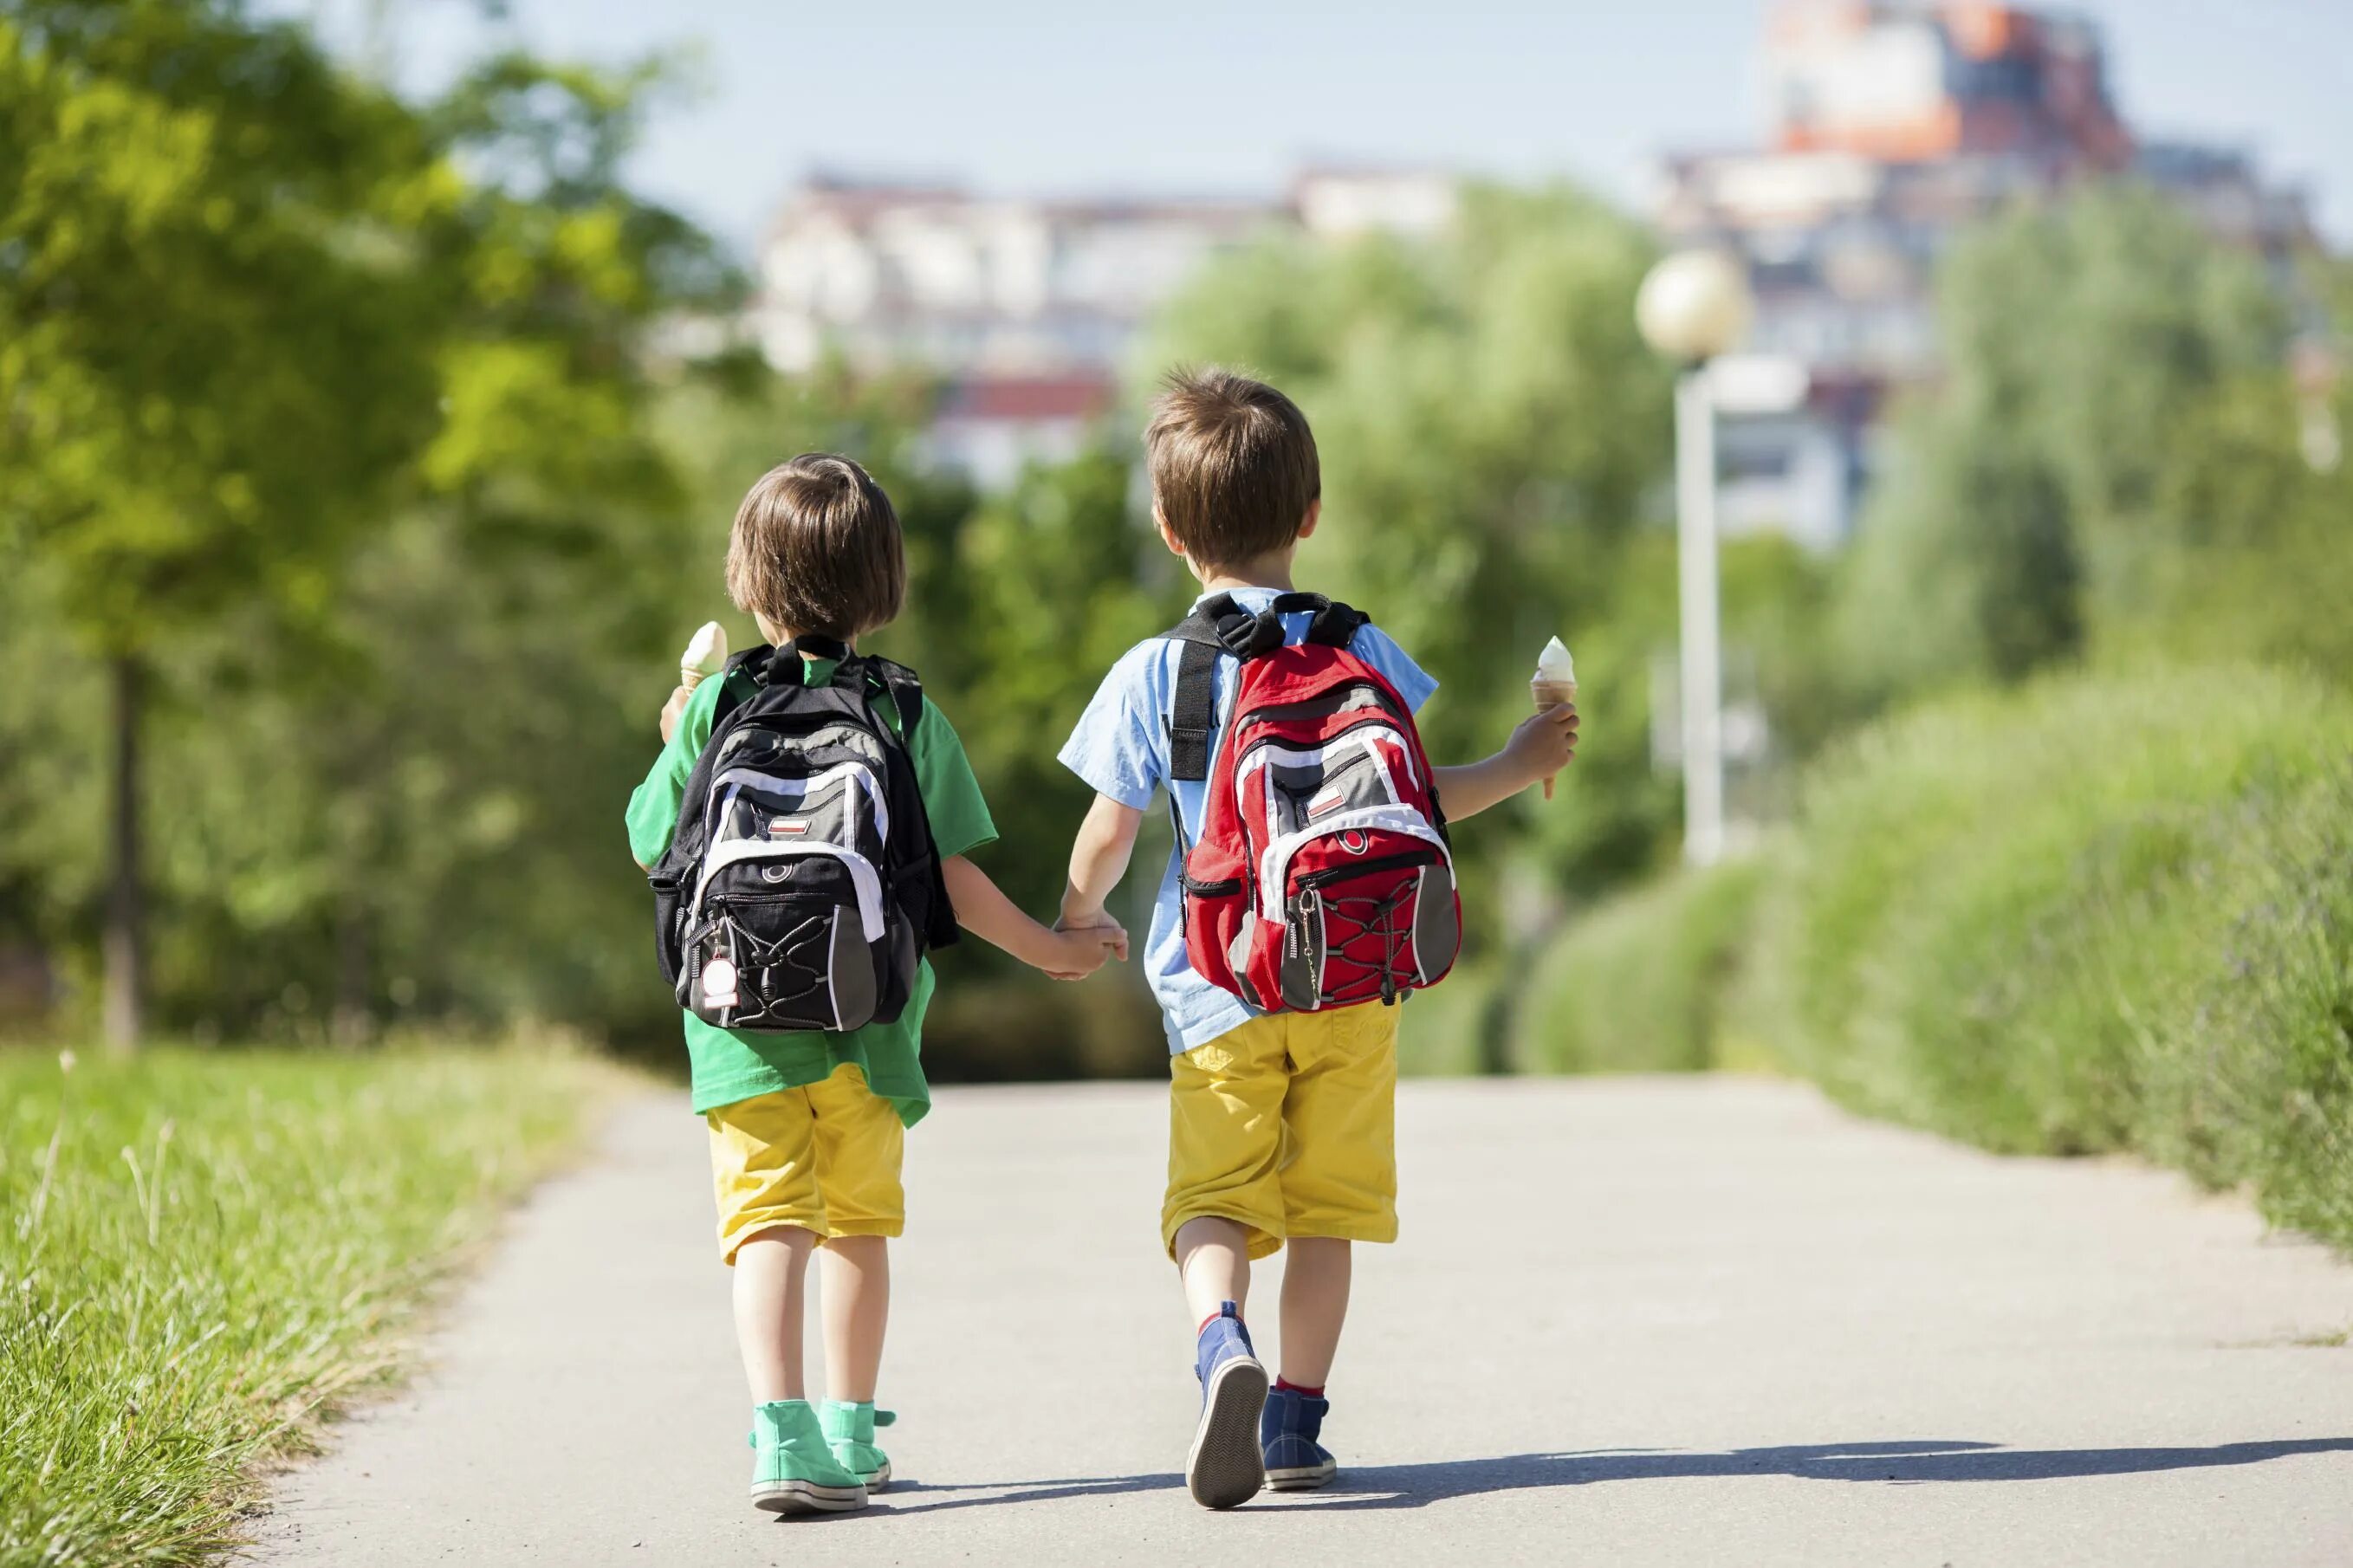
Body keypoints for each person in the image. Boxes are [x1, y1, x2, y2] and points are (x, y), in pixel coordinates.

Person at [1056, 370, 1578, 1507]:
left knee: (1215, 1200)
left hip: (1217, 986)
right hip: (1352, 975)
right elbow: (1415, 798)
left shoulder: (1158, 671)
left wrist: (1079, 911)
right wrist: (1522, 760)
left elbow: (1107, 831)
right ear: (1312, 513)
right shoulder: (1364, 649)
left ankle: (1218, 1342)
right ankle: (1294, 1421)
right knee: (1328, 1210)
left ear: (1167, 529)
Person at [628, 454, 1125, 1516]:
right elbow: (950, 875)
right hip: (870, 1026)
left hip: (737, 1029)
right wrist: (1051, 947)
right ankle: (850, 1436)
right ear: (883, 584)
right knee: (855, 1224)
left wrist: (675, 739)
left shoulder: (716, 703)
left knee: (767, 1224)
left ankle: (780, 1435)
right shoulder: (901, 710)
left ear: (747, 582)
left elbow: (646, 844)